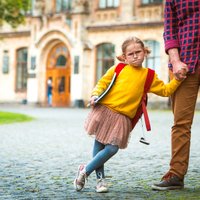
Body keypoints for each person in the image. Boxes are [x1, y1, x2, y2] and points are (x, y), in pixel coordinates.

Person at [73, 36, 185, 193]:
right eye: (130, 54)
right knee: (99, 145)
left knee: (112, 148)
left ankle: (85, 170)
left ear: (145, 52)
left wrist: (177, 80)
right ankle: (99, 180)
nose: (135, 56)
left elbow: (166, 91)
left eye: (138, 52)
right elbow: (102, 83)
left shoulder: (149, 75)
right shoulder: (118, 69)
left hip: (123, 118)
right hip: (105, 111)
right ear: (124, 57)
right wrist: (94, 95)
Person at [152, 0, 199, 191]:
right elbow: (170, 29)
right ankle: (176, 174)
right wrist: (175, 60)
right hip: (185, 64)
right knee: (181, 123)